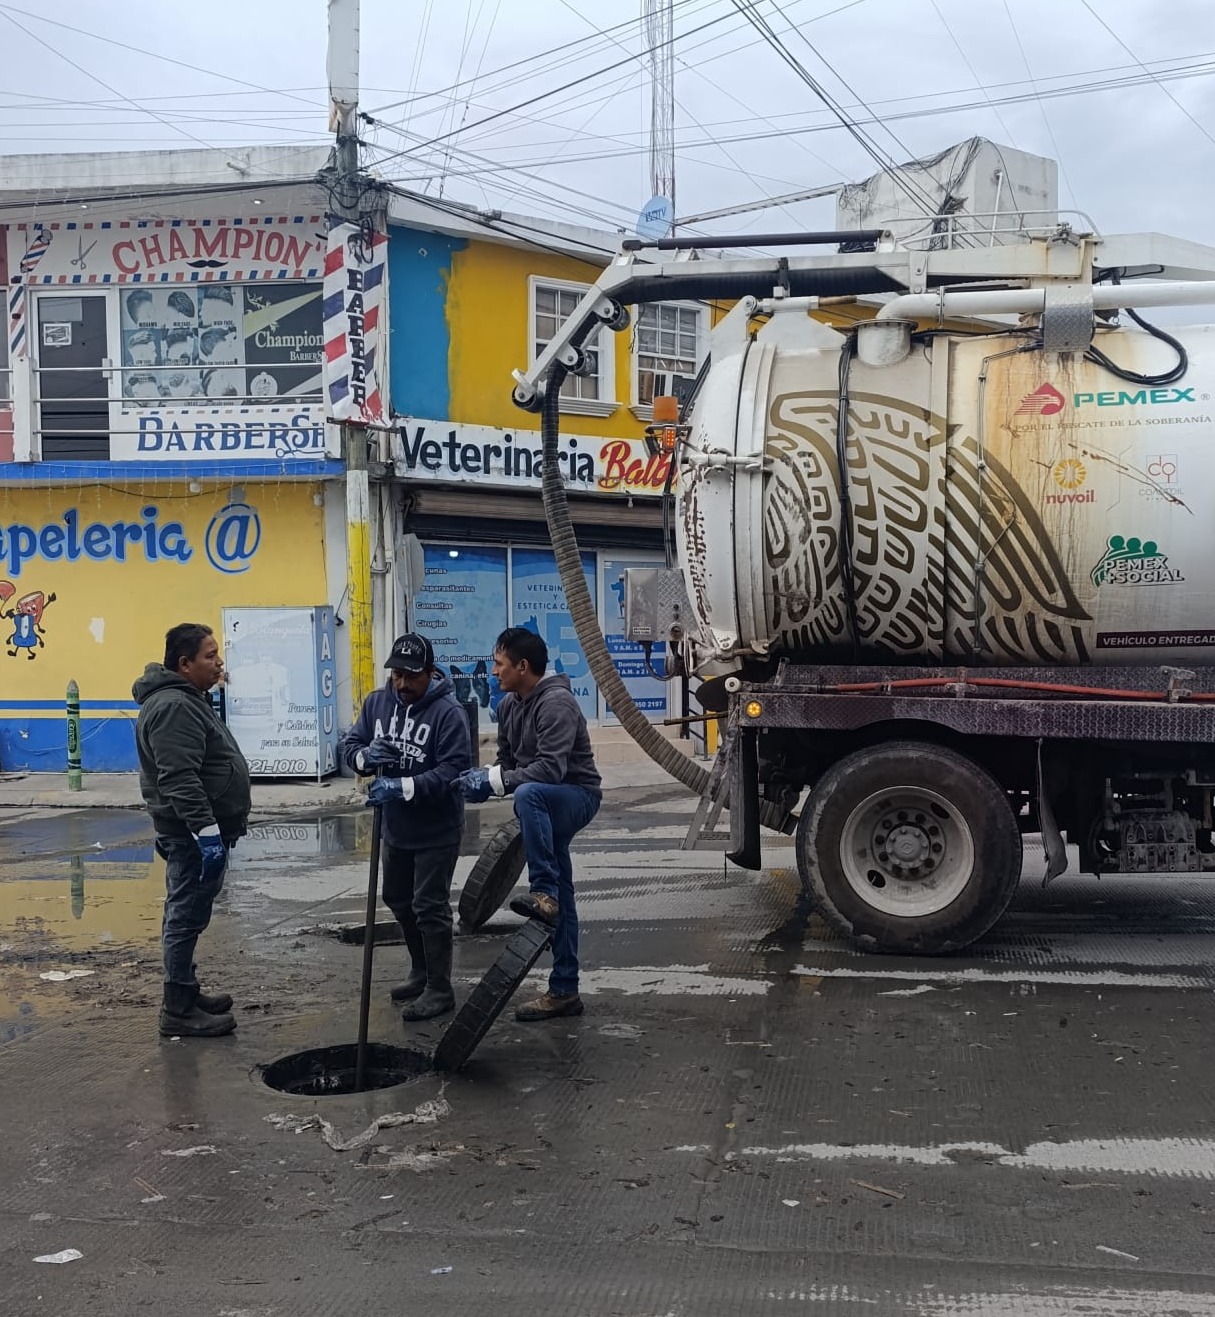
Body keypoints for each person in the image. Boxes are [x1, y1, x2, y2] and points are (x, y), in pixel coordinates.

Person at [456, 627, 601, 1021]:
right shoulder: (508, 706)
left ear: (522, 666)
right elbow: (508, 763)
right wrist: (484, 778)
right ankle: (565, 990)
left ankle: (542, 892)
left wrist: (497, 782)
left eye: (499, 664)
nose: (493, 672)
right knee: (564, 888)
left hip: (577, 796)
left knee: (528, 794)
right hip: (542, 799)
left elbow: (550, 771)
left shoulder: (557, 704)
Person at [341, 633, 471, 1020]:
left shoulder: (449, 713)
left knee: (429, 906)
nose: (402, 684)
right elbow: (350, 745)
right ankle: (421, 970)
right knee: (398, 899)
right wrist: (365, 757)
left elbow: (453, 770)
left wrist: (404, 787)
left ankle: (440, 988)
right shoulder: (376, 703)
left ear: (430, 673)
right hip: (395, 828)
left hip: (437, 828)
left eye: (411, 676)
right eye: (397, 675)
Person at [133, 624, 251, 1039]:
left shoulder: (187, 699)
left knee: (189, 911)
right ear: (184, 664)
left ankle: (186, 990)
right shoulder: (173, 706)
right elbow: (179, 777)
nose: (219, 663)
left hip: (195, 830)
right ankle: (178, 1008)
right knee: (185, 914)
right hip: (190, 834)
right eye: (209, 656)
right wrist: (205, 831)